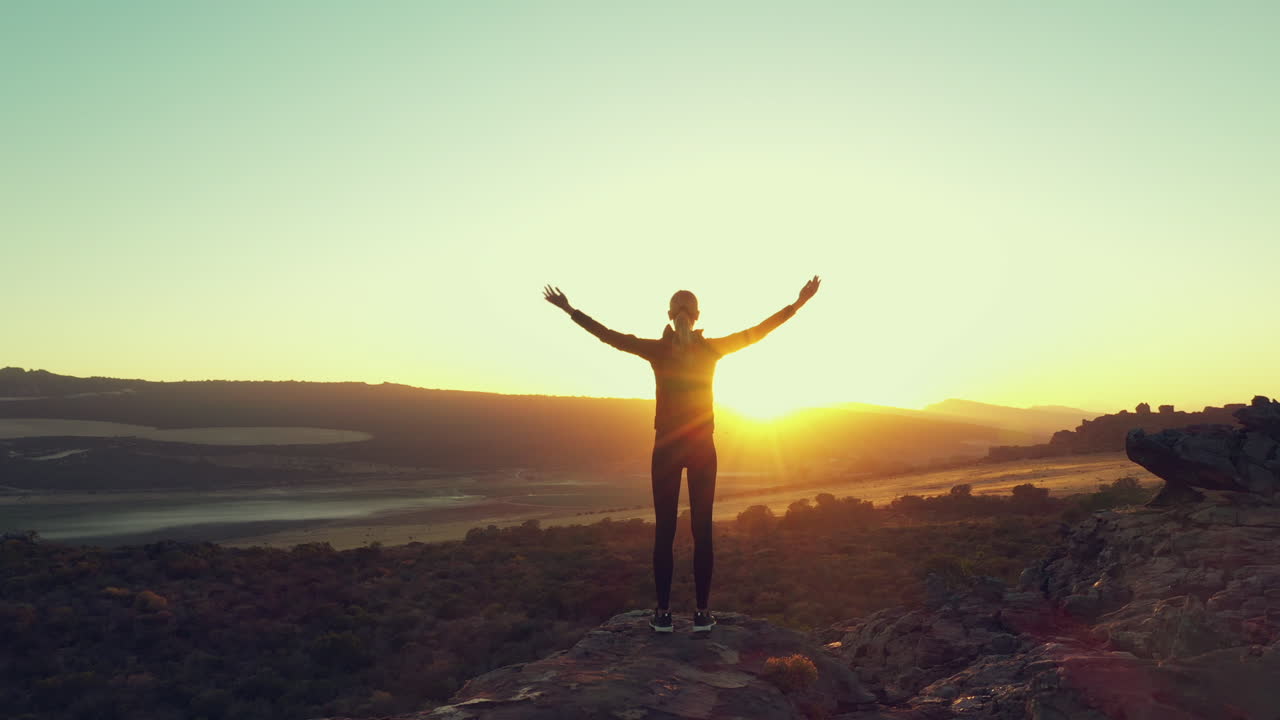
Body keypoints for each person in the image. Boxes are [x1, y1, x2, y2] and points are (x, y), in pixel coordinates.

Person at [543, 276, 821, 633]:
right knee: (702, 530)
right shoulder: (711, 349)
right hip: (704, 447)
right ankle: (703, 613)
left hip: (666, 449)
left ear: (669, 314)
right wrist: (797, 304)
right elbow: (758, 331)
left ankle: (662, 614)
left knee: (665, 532)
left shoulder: (658, 350)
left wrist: (570, 310)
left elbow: (609, 336)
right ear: (699, 314)